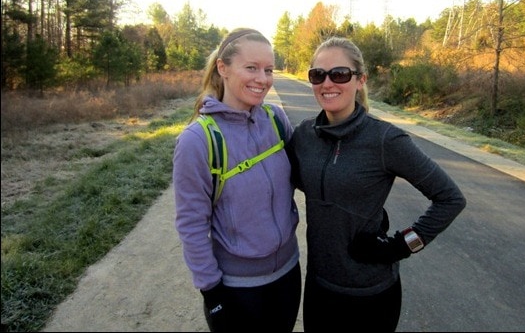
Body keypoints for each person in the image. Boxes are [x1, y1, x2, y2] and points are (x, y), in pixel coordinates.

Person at [286, 36, 467, 332]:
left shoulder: (385, 139)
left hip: (371, 295)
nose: (327, 83)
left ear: (360, 80)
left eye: (339, 74)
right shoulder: (304, 136)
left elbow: (450, 199)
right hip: (320, 287)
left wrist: (399, 246)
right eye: (318, 75)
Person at [172, 28, 301, 332]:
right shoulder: (197, 141)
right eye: (251, 68)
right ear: (223, 68)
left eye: (268, 70)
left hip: (288, 274)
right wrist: (212, 292)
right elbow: (191, 224)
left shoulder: (276, 120)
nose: (263, 79)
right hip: (238, 288)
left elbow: (306, 177)